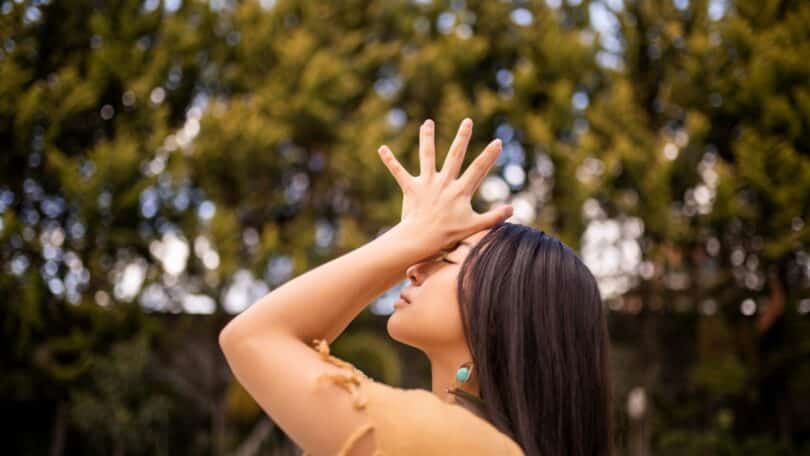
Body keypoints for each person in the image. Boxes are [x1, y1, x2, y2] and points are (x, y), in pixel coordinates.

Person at [219, 118, 613, 455]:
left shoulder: (458, 443)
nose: (413, 268)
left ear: (499, 315)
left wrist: (409, 236)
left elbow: (256, 336)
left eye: (444, 257)